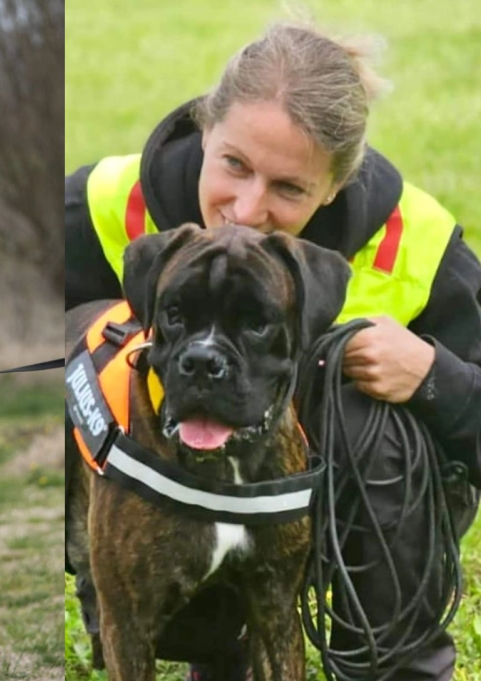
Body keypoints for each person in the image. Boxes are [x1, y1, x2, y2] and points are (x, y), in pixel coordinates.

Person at [65, 21, 481, 681]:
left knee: (376, 425)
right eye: (234, 165)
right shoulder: (109, 203)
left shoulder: (417, 244)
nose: (247, 208)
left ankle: (394, 663)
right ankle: (168, 622)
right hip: (155, 491)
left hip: (329, 499)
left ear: (338, 186)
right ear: (206, 133)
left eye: (289, 188)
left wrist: (435, 376)